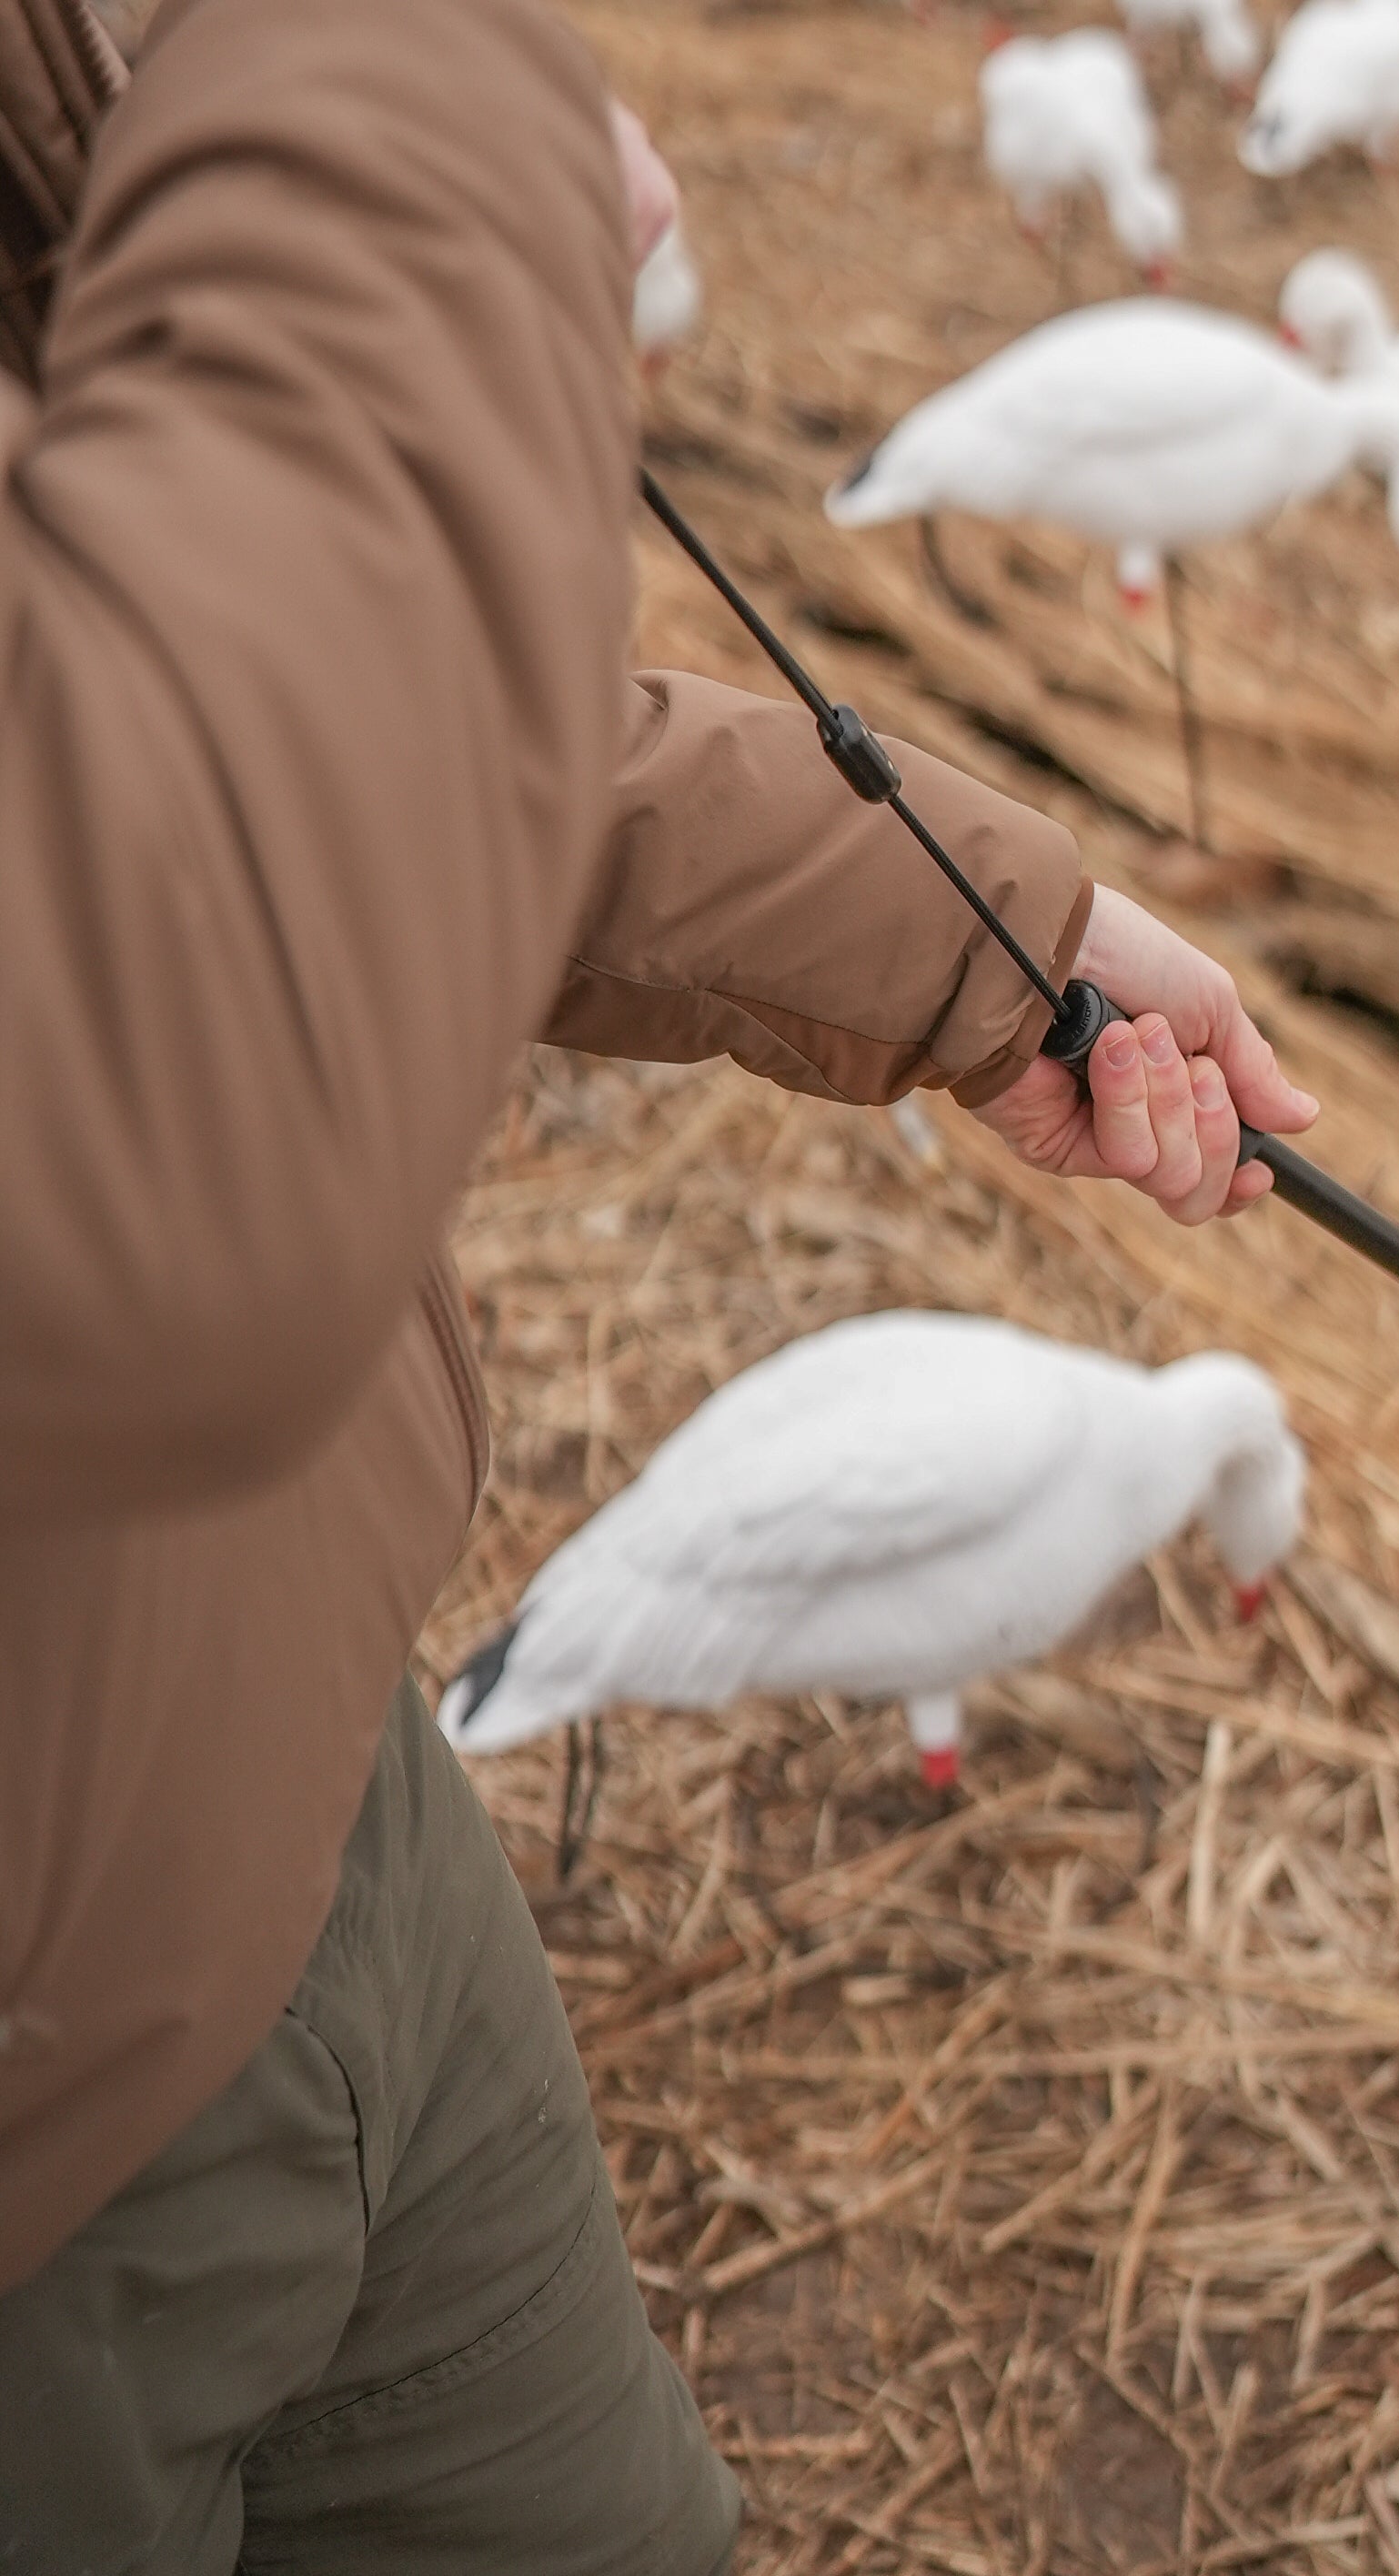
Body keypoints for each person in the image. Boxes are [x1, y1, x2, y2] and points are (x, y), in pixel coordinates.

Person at [0, 0, 1315, 2564]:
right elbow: (168, 1089)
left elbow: (304, 730)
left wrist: (997, 940)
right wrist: (413, 102)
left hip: (317, 1821)